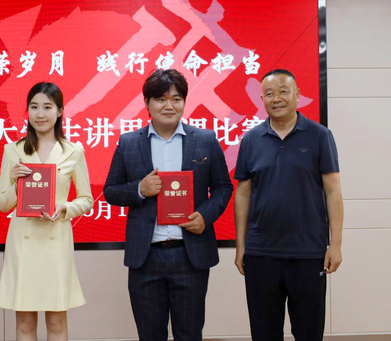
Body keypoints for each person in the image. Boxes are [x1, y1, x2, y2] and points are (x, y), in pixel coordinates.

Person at [104, 69, 233, 341]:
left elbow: (223, 187)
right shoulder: (129, 143)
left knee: (190, 334)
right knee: (150, 335)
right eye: (161, 99)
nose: (169, 105)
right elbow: (111, 191)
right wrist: (139, 189)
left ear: (184, 102)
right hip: (146, 257)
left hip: (189, 254)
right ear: (147, 103)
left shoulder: (205, 139)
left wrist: (205, 216)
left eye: (176, 99)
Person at [234, 69, 344, 341]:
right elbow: (243, 194)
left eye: (283, 91)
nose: (277, 98)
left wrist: (335, 244)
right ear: (262, 99)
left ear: (297, 94)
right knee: (264, 332)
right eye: (269, 93)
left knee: (308, 333)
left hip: (308, 252)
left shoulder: (319, 135)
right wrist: (241, 246)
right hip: (261, 253)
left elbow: (332, 190)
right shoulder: (251, 140)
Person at [0, 82, 94, 341]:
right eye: (34, 107)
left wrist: (65, 208)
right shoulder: (13, 150)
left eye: (47, 107)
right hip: (23, 242)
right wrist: (16, 185)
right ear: (27, 111)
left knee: (57, 321)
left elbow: (86, 199)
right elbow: (2, 204)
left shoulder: (73, 151)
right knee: (25, 322)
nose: (40, 114)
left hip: (55, 241)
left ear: (60, 111)